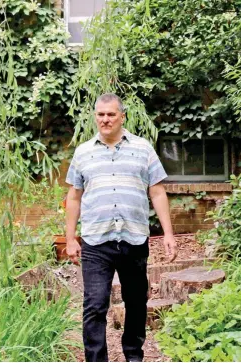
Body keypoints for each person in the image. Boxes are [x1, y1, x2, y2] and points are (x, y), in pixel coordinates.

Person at [65, 93, 177, 362]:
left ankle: (133, 355)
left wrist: (169, 234)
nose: (105, 119)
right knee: (95, 304)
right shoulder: (83, 153)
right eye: (101, 114)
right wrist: (70, 238)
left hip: (134, 238)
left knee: (136, 302)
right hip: (95, 241)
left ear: (122, 116)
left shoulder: (143, 148)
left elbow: (158, 192)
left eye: (111, 114)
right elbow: (74, 197)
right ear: (95, 116)